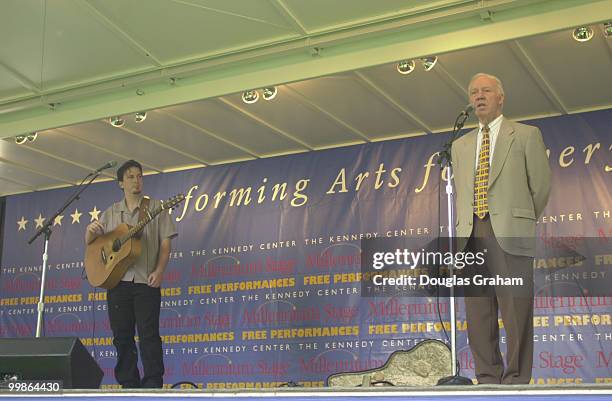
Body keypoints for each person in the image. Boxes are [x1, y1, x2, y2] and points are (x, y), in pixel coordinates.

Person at [451, 73, 551, 384]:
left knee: (515, 310)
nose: (479, 96)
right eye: (473, 92)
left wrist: (518, 221)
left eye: (486, 91)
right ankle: (488, 378)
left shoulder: (524, 135)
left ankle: (516, 380)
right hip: (470, 235)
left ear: (500, 97)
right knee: (479, 314)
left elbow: (541, 188)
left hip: (509, 233)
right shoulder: (460, 145)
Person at [85, 160, 177, 388]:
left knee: (149, 335)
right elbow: (94, 245)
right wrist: (89, 232)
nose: (136, 180)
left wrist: (160, 270)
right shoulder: (111, 212)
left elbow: (165, 243)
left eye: (139, 176)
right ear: (120, 183)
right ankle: (128, 384)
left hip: (146, 281)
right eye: (130, 177)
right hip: (117, 282)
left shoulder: (156, 207)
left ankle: (153, 383)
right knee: (121, 336)